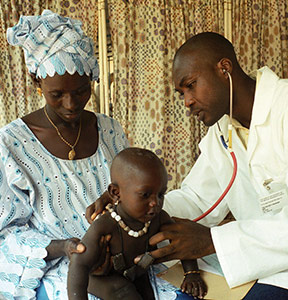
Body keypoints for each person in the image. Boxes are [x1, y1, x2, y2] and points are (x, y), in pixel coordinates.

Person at [88, 32, 288, 300]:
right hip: (257, 263)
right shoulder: (222, 132)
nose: (187, 102)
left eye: (191, 85)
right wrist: (130, 208)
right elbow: (197, 199)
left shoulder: (283, 107)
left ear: (224, 69)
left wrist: (212, 240)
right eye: (182, 93)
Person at [0, 10, 129, 300]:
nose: (71, 104)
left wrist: (116, 240)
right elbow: (4, 234)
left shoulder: (109, 129)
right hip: (56, 264)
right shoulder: (11, 143)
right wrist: (64, 248)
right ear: (37, 81)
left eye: (82, 91)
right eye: (57, 94)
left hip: (121, 252)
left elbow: (133, 192)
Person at [67, 147, 207, 300]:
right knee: (125, 292)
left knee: (149, 293)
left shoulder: (158, 218)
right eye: (145, 195)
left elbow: (182, 242)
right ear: (115, 193)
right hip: (102, 277)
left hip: (137, 272)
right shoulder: (105, 225)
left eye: (161, 194)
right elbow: (78, 265)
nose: (155, 203)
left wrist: (191, 273)